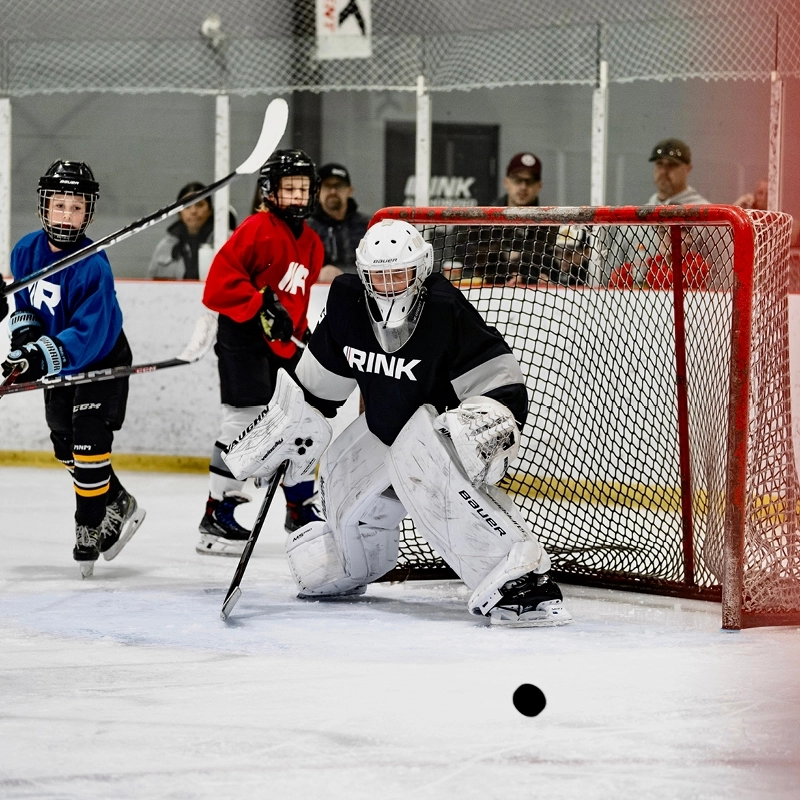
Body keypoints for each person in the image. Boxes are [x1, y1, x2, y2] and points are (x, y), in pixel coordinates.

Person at [222, 218, 573, 627]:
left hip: (437, 438)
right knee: (336, 469)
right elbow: (317, 389)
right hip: (383, 428)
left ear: (420, 270)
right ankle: (356, 561)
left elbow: (500, 382)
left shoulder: (445, 310)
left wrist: (487, 419)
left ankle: (522, 581)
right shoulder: (347, 305)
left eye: (399, 274)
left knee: (419, 457)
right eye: (378, 276)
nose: (388, 285)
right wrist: (284, 428)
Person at [0, 161, 145, 577]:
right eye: (59, 205)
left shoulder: (93, 264)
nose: (66, 215)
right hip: (57, 362)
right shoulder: (26, 251)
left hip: (102, 358)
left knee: (88, 443)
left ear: (89, 212)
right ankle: (117, 499)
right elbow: (26, 307)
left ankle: (91, 525)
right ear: (44, 207)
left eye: (76, 208)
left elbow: (90, 332)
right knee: (64, 445)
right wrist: (24, 348)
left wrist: (41, 355)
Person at [196, 149, 325, 557]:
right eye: (289, 188)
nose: (297, 196)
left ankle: (299, 506)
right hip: (242, 337)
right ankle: (217, 513)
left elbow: (296, 303)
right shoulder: (255, 228)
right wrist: (260, 303)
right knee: (244, 419)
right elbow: (217, 287)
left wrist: (301, 332)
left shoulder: (314, 244)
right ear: (270, 192)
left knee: (302, 418)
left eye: (303, 188)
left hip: (281, 345)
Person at [485, 152, 560, 286]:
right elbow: (472, 259)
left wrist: (516, 264)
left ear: (539, 186)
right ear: (506, 182)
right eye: (517, 180)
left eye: (529, 181)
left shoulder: (550, 224)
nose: (523, 187)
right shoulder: (483, 218)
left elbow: (552, 265)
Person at [147, 182, 236, 280]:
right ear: (179, 212)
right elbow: (151, 284)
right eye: (187, 206)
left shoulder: (229, 241)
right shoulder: (166, 246)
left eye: (199, 205)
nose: (193, 211)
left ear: (210, 209)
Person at [306, 163, 370, 282]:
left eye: (339, 186)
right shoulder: (305, 228)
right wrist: (318, 274)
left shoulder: (368, 227)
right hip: (318, 293)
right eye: (326, 186)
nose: (333, 191)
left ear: (349, 190)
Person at [647, 138, 709, 205]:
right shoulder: (644, 211)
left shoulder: (703, 211)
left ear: (688, 169)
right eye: (659, 163)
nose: (663, 171)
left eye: (672, 165)